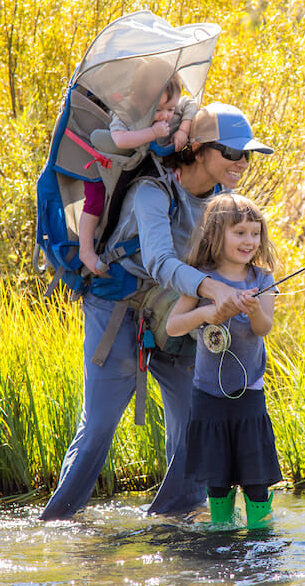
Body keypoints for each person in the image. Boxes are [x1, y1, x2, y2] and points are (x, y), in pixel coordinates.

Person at [40, 102, 274, 521]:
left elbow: (229, 262)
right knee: (97, 430)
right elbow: (159, 263)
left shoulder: (225, 204)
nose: (242, 162)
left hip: (177, 319)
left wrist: (243, 292)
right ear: (199, 150)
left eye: (247, 154)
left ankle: (176, 521)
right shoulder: (153, 190)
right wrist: (211, 288)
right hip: (116, 311)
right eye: (232, 152)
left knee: (194, 425)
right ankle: (57, 523)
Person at [165, 193, 283, 529]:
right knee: (217, 481)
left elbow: (263, 329)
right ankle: (221, 537)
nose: (249, 241)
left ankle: (261, 539)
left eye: (255, 233)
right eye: (240, 232)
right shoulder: (200, 279)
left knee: (256, 482)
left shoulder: (262, 280)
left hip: (248, 396)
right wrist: (207, 311)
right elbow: (174, 326)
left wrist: (255, 308)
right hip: (207, 398)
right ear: (217, 235)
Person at [77, 78, 196, 276]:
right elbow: (120, 139)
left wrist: (183, 128)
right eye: (158, 110)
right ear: (137, 101)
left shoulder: (170, 109)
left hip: (136, 164)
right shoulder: (126, 112)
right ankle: (86, 251)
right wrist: (153, 132)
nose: (166, 116)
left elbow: (190, 104)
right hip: (106, 165)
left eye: (171, 109)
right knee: (95, 202)